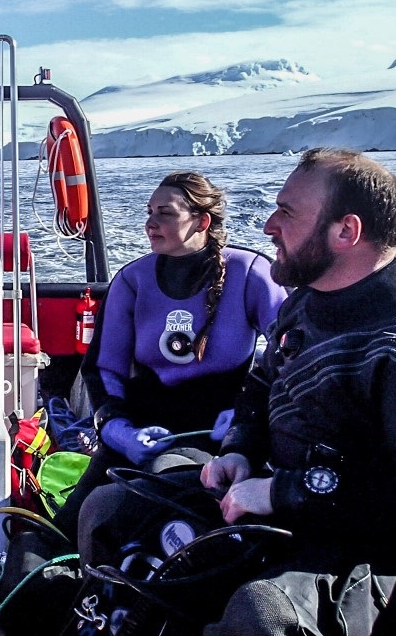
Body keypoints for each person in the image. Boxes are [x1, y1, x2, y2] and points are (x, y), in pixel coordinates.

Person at [78, 148, 396, 636]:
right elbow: (261, 389)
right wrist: (239, 450)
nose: (267, 225)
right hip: (279, 507)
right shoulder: (306, 306)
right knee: (111, 509)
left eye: (287, 212)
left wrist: (283, 492)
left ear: (346, 232)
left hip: (369, 551)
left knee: (260, 624)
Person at [52, 171, 287, 543]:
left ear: (201, 221)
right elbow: (103, 368)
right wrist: (118, 431)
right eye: (149, 212)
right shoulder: (132, 281)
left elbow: (293, 358)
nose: (150, 223)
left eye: (165, 213)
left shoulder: (251, 274)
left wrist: (249, 421)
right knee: (63, 534)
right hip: (142, 437)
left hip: (227, 443)